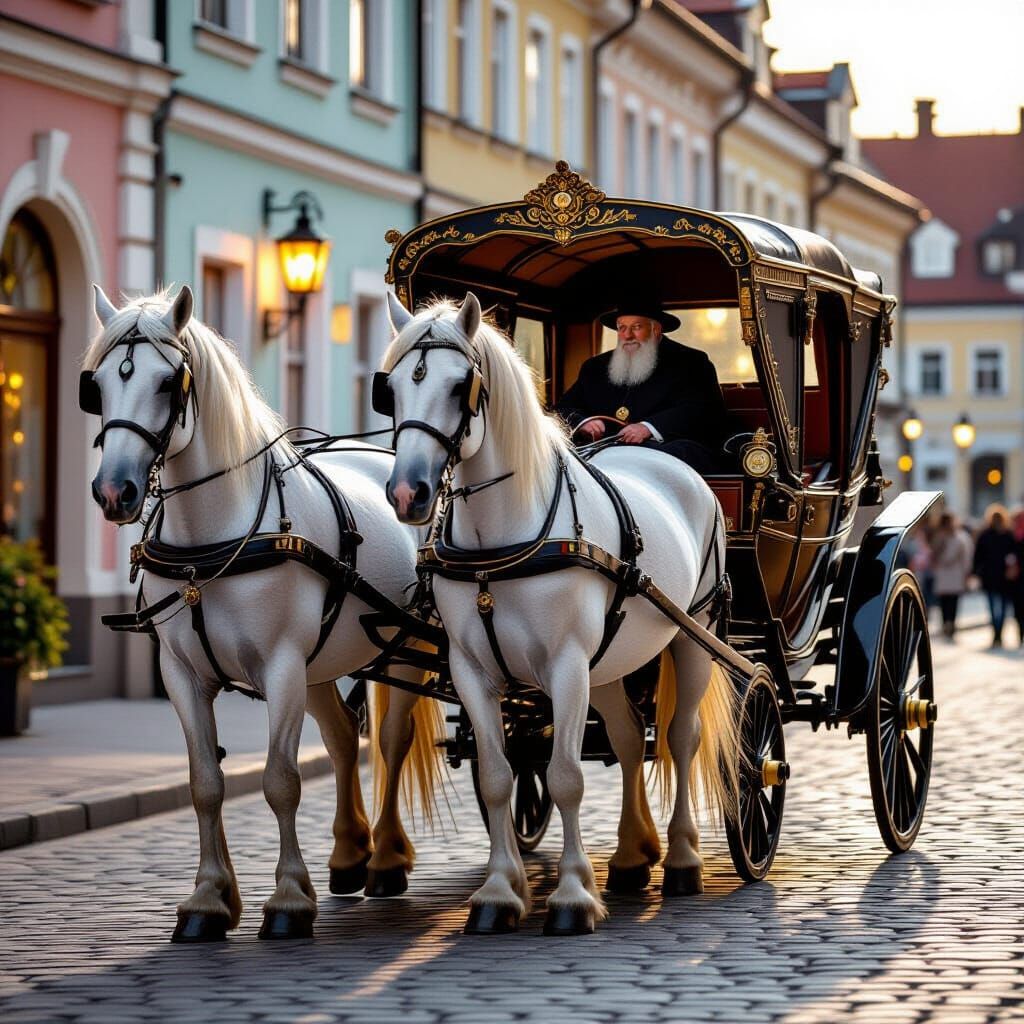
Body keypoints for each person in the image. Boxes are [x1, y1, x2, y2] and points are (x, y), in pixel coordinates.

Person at [554, 303, 728, 474]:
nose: (627, 335)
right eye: (621, 328)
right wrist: (583, 422)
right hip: (600, 455)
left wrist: (649, 427)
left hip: (666, 451)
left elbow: (703, 410)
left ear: (656, 329)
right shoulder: (594, 367)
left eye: (636, 327)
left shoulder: (692, 362)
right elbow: (562, 408)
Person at [971, 504, 1017, 648]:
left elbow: (977, 557)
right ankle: (998, 634)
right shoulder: (1005, 534)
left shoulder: (987, 535)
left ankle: (997, 635)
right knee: (1000, 607)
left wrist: (975, 572)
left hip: (994, 576)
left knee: (994, 607)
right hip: (999, 576)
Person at [930, 513, 973, 641]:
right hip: (947, 573)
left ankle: (950, 625)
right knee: (947, 601)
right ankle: (948, 625)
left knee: (951, 601)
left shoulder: (957, 537)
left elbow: (965, 557)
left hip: (952, 573)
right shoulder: (945, 538)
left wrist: (966, 573)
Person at [1010, 506, 1024, 647]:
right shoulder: (1011, 536)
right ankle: (1020, 635)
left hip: (1018, 578)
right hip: (1016, 579)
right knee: (1018, 609)